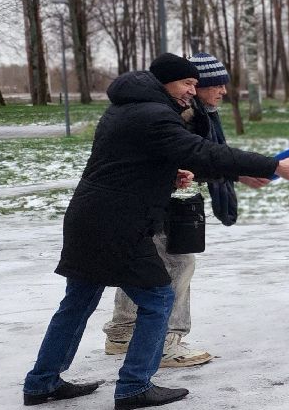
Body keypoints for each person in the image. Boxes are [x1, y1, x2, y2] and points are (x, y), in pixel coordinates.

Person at [23, 54, 289, 410]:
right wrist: (273, 165)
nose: (193, 91)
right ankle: (133, 386)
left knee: (78, 301)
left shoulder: (127, 109)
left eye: (195, 84)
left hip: (91, 216)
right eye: (188, 84)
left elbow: (135, 161)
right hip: (120, 223)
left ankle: (41, 381)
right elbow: (199, 150)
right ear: (166, 82)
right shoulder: (154, 114)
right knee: (159, 298)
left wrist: (170, 174)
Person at [102, 51, 264, 369]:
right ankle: (166, 343)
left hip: (138, 198)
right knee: (177, 263)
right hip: (154, 199)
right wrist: (234, 171)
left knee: (144, 265)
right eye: (215, 85)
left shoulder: (193, 112)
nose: (223, 91)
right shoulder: (179, 114)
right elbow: (192, 156)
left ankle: (122, 332)